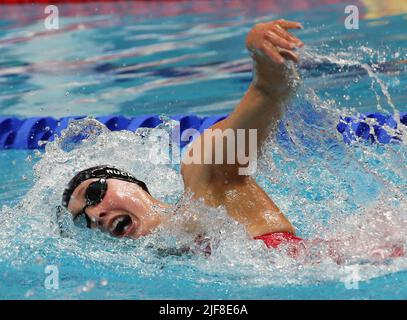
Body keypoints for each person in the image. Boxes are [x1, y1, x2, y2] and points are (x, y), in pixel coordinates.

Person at [62, 19, 308, 251]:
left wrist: (264, 61)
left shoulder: (204, 179)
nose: (94, 215)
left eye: (94, 194)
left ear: (129, 182)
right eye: (83, 220)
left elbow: (268, 95)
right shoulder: (160, 262)